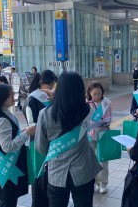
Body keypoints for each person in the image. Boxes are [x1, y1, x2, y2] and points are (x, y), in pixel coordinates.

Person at [35, 72, 102, 207]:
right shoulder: (87, 111)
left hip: (56, 174)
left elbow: (40, 147)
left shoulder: (45, 114)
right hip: (83, 171)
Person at [0, 84, 36, 207]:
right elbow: (7, 147)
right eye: (11, 95)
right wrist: (27, 133)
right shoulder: (1, 120)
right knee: (8, 199)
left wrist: (23, 132)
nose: (14, 97)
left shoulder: (3, 114)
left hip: (7, 166)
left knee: (8, 198)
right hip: (6, 167)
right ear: (0, 98)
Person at [23, 70, 57, 207]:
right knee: (39, 179)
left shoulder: (49, 98)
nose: (52, 89)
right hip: (37, 145)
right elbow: (32, 126)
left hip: (50, 144)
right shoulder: (32, 99)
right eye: (52, 85)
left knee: (49, 178)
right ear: (44, 83)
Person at [86, 81, 112, 194]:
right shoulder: (86, 103)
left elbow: (109, 118)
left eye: (99, 93)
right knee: (90, 160)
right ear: (89, 93)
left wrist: (102, 122)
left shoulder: (107, 103)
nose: (97, 96)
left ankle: (102, 183)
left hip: (103, 134)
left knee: (103, 160)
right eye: (94, 94)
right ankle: (91, 182)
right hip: (89, 135)